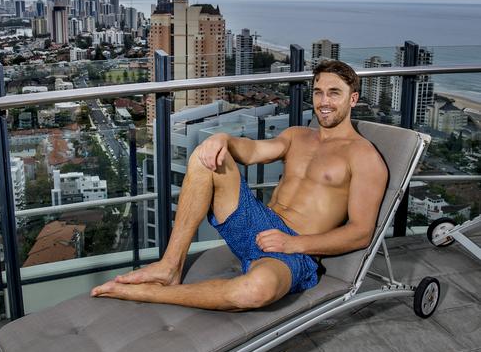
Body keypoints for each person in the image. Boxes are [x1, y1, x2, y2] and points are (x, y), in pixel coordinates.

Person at [91, 60, 388, 311]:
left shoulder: (364, 157)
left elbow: (360, 233)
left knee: (255, 290)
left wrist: (293, 243)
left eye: (334, 93)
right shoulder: (298, 135)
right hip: (257, 223)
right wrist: (223, 140)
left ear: (353, 98)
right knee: (206, 157)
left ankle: (149, 293)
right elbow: (253, 151)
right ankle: (170, 266)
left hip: (293, 250)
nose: (324, 102)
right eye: (318, 92)